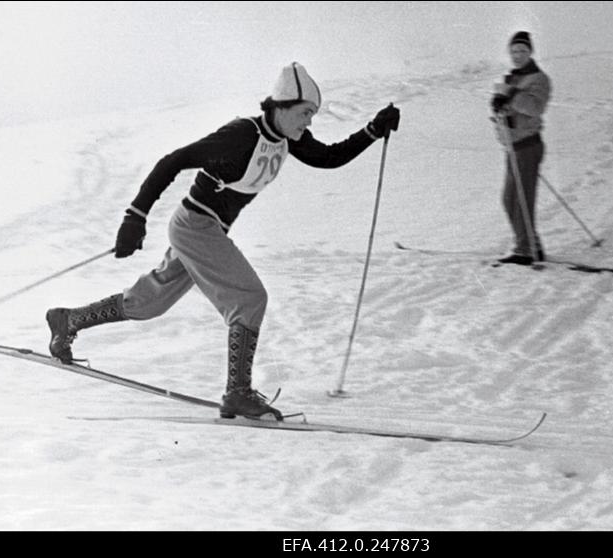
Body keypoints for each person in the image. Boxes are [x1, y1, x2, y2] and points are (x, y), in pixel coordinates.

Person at [45, 62, 400, 421]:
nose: (308, 121)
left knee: (147, 304)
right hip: (195, 226)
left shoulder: (288, 139)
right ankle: (238, 393)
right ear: (281, 105)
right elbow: (173, 161)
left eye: (312, 114)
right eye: (305, 112)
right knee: (249, 297)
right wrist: (134, 217)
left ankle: (68, 321)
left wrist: (372, 130)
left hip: (204, 229)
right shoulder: (240, 136)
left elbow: (330, 157)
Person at [491, 31, 551, 265]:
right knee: (509, 199)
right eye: (514, 51)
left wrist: (511, 97)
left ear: (531, 52)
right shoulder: (511, 78)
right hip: (512, 146)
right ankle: (530, 244)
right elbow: (509, 111)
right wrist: (498, 109)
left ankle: (525, 249)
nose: (518, 55)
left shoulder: (539, 79)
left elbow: (535, 108)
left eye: (522, 51)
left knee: (522, 200)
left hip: (528, 146)